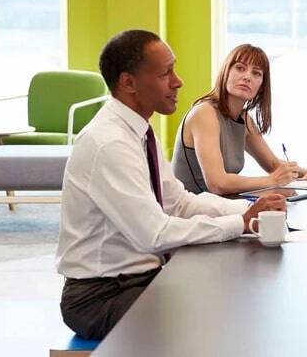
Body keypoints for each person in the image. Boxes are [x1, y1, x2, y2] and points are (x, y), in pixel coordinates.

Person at [56, 30, 287, 340]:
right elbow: (156, 233)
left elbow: (179, 203)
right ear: (128, 83)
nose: (178, 81)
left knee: (240, 295)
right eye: (165, 73)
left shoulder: (138, 131)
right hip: (100, 296)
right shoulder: (109, 143)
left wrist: (250, 211)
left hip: (140, 278)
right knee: (220, 318)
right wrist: (240, 223)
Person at [172, 44, 307, 195]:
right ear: (225, 72)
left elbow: (273, 164)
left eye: (256, 73)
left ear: (262, 85)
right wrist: (272, 181)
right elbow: (217, 183)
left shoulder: (244, 119)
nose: (247, 77)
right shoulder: (204, 113)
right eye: (240, 68)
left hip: (218, 209)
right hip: (192, 216)